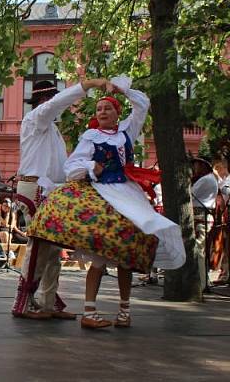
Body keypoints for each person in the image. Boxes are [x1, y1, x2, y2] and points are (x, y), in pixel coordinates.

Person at [28, 78, 186, 329]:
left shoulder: (126, 131)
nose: (102, 112)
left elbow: (142, 105)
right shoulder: (90, 136)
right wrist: (92, 167)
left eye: (107, 108)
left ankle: (124, 311)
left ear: (116, 113)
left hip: (127, 192)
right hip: (102, 192)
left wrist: (123, 89)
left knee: (127, 254)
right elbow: (72, 166)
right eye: (99, 109)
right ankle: (89, 311)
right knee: (99, 256)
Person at [11, 78, 112, 321]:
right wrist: (87, 85)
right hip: (36, 188)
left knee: (53, 247)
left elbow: (61, 165)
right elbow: (55, 105)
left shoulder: (49, 128)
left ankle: (47, 301)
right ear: (45, 100)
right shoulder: (37, 118)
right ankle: (22, 303)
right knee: (40, 247)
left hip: (48, 189)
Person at [191, 156, 218, 292]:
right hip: (203, 215)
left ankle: (200, 283)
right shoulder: (208, 178)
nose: (194, 167)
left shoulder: (205, 179)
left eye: (196, 164)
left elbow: (189, 193)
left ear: (203, 165)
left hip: (201, 215)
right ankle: (202, 280)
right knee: (201, 249)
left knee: (199, 250)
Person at [212, 157, 230, 285]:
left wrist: (217, 180)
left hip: (227, 215)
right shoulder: (225, 180)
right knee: (225, 246)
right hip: (224, 216)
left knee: (227, 246)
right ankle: (225, 273)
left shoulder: (226, 180)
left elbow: (226, 191)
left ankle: (225, 274)